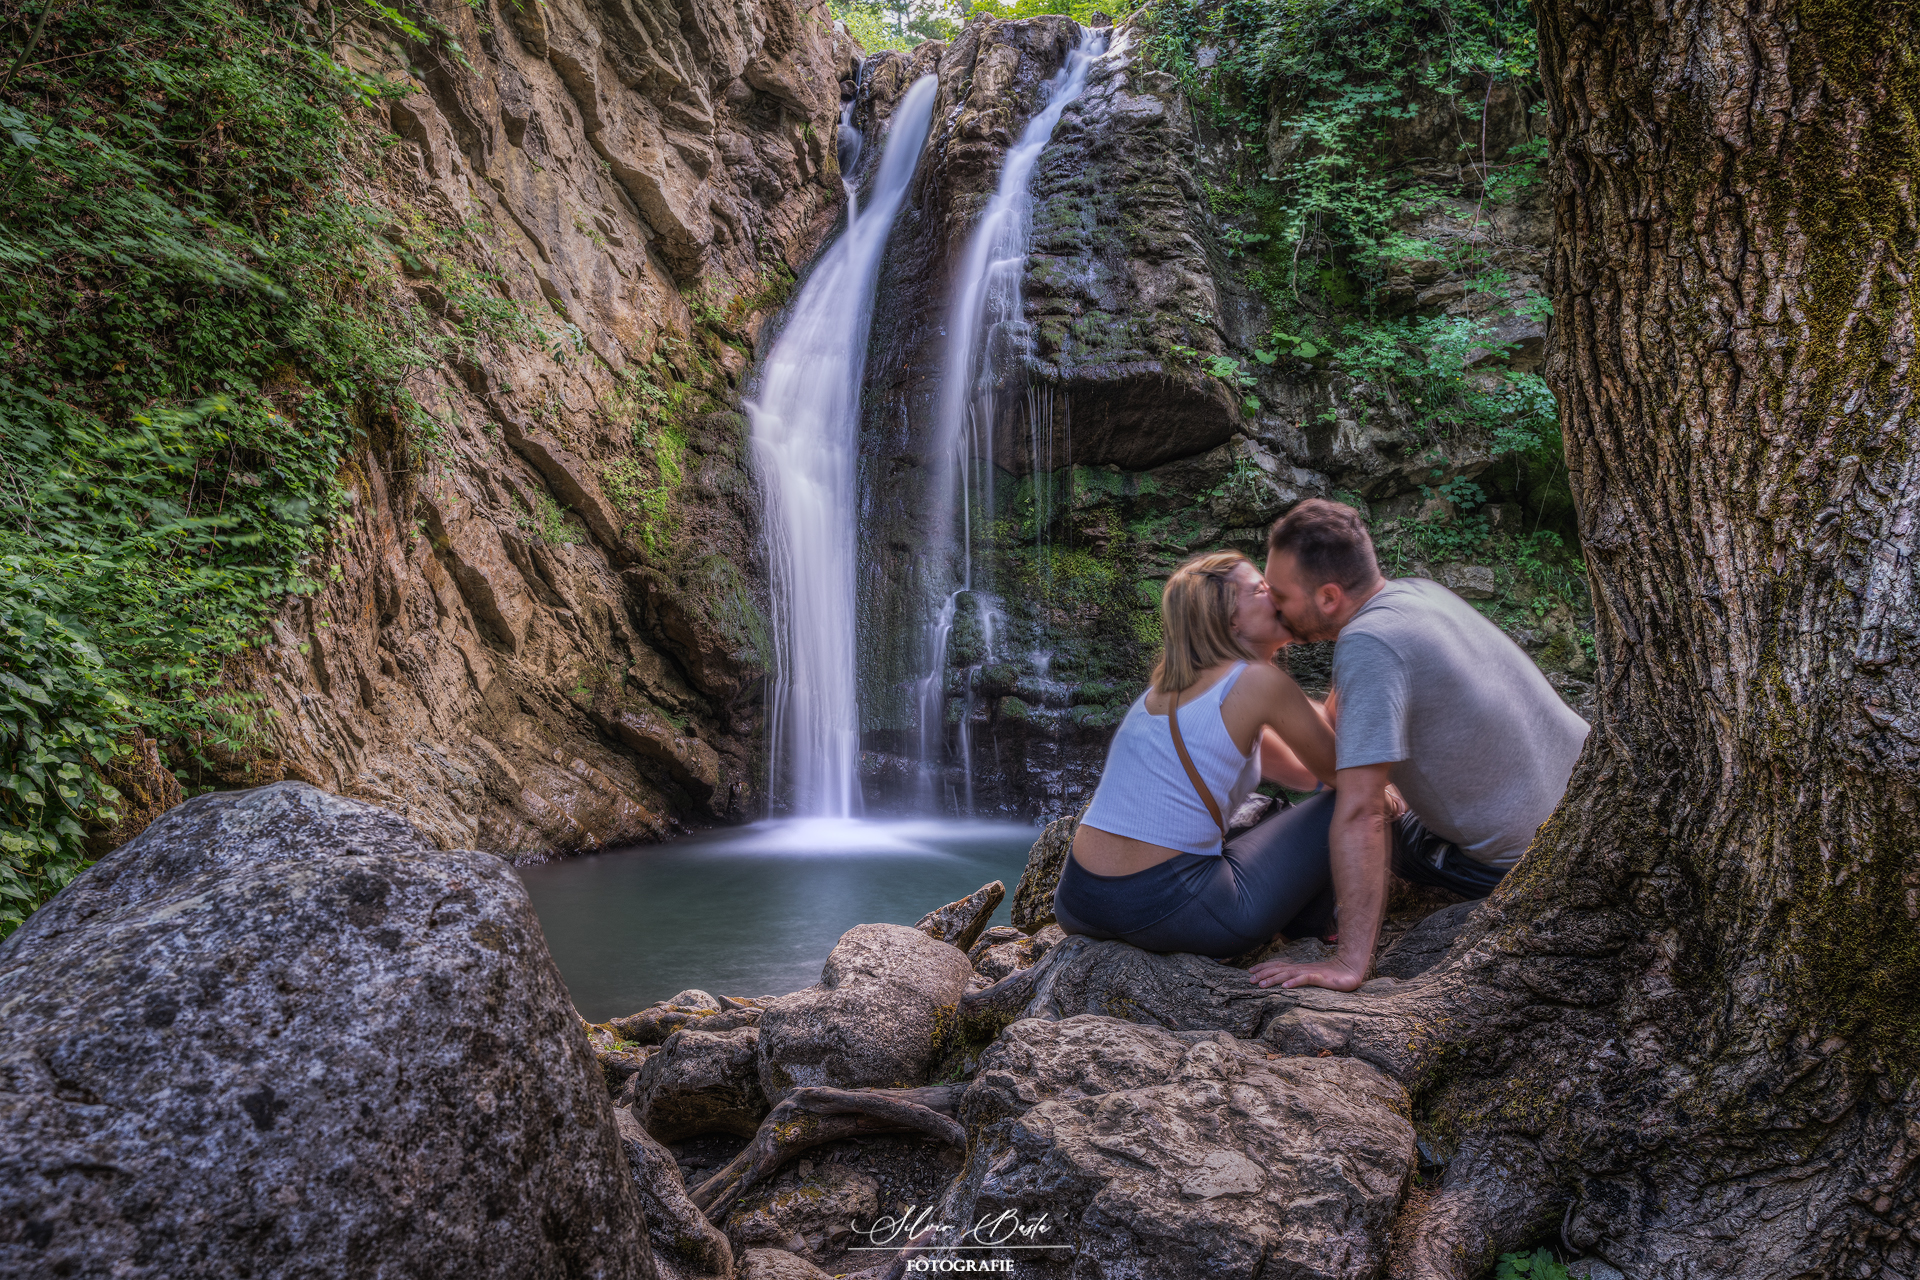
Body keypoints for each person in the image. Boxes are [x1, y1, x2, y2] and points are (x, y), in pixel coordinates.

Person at [1249, 498, 1591, 992]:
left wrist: (1350, 965)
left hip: (1528, 863)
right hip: (1585, 814)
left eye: (1281, 595)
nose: (1274, 605)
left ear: (1328, 597)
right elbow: (1335, 725)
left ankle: (1323, 935)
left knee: (1344, 812)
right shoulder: (1417, 594)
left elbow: (1361, 811)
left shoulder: (1368, 645)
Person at [1052, 550, 1343, 958]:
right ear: (1230, 619)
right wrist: (1354, 641)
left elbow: (1306, 773)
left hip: (1078, 902)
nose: (1277, 594)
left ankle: (1301, 925)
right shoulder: (1260, 683)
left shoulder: (1168, 689)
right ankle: (1314, 932)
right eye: (1261, 589)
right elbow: (1345, 773)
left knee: (1266, 816)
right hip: (1170, 909)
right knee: (1350, 801)